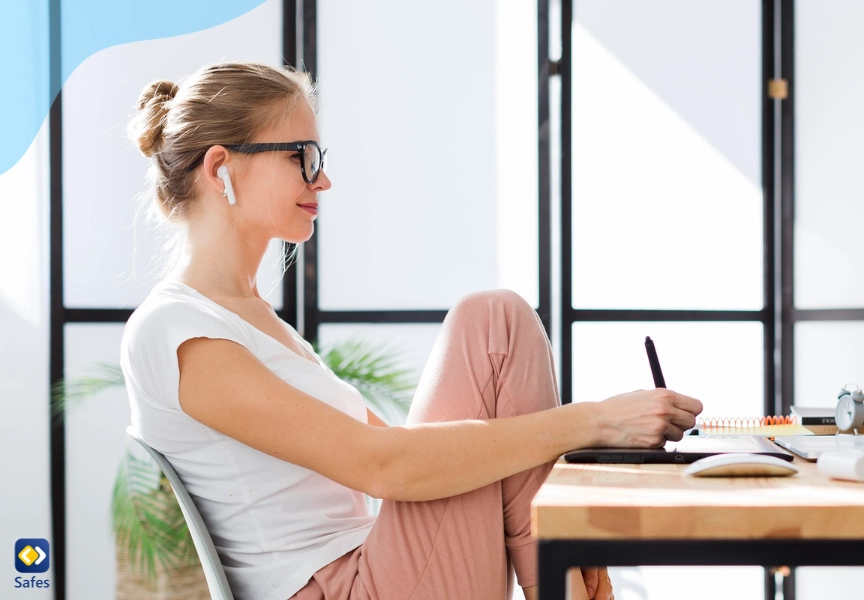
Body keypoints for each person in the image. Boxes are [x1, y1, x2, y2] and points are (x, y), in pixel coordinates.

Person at [120, 61, 703, 600]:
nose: (322, 181)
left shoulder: (258, 323)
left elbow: (417, 459)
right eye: (302, 156)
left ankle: (569, 581)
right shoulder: (174, 330)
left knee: (495, 323)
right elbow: (386, 466)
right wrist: (596, 420)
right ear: (221, 167)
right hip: (342, 588)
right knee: (492, 320)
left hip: (376, 565)